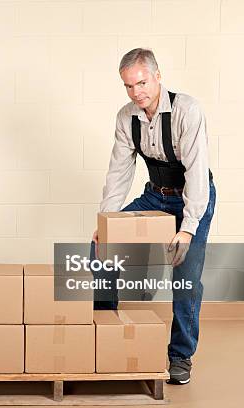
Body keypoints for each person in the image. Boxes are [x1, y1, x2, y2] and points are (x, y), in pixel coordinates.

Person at [92, 48, 216, 385]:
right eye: (129, 87)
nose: (137, 93)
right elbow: (119, 172)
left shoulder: (186, 110)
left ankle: (180, 356)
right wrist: (106, 222)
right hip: (154, 196)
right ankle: (104, 335)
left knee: (185, 277)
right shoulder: (125, 117)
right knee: (100, 251)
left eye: (142, 83)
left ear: (158, 76)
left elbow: (196, 174)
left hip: (192, 198)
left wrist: (188, 229)